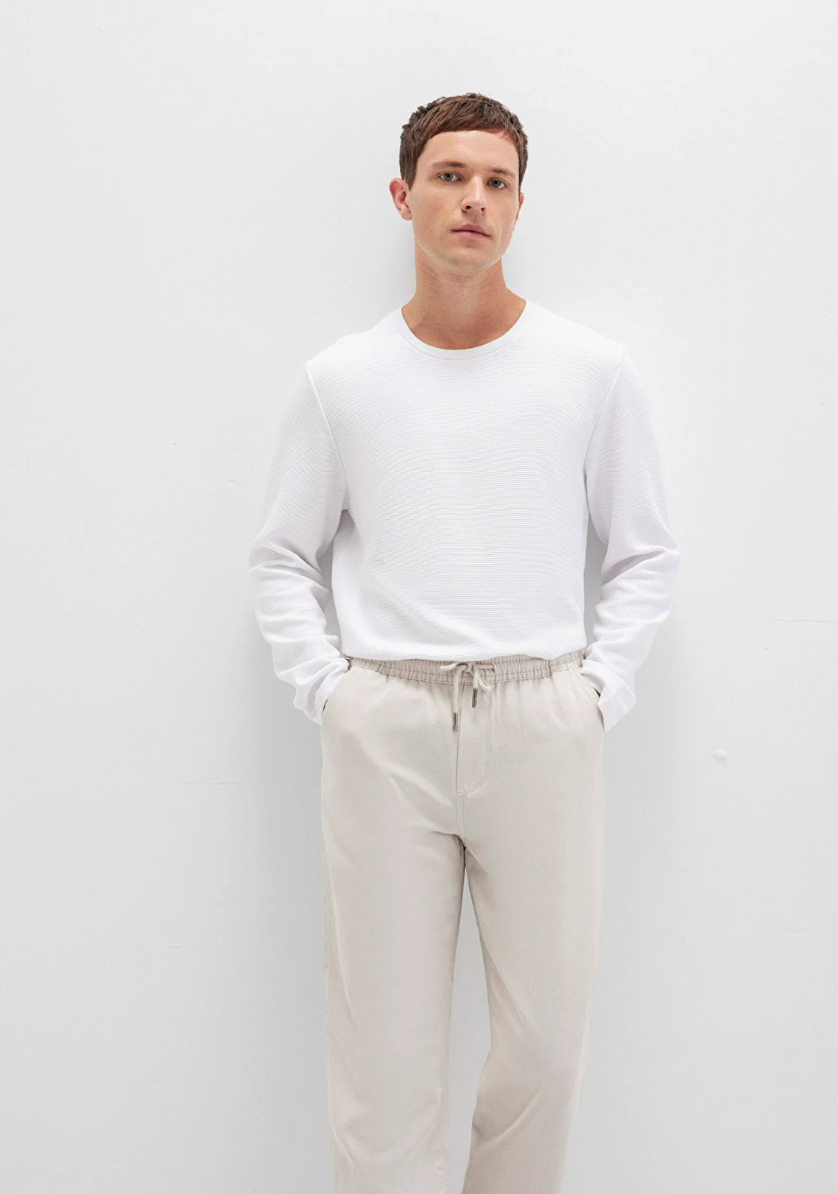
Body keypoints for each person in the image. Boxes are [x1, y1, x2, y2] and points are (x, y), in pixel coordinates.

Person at [248, 91, 680, 1194]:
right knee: (382, 1065)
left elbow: (643, 553)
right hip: (384, 722)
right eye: (449, 176)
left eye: (496, 182)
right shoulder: (343, 381)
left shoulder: (589, 371)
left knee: (545, 1050)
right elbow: (282, 555)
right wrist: (329, 691)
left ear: (520, 205)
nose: (473, 199)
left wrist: (597, 691)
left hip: (542, 716)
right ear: (404, 197)